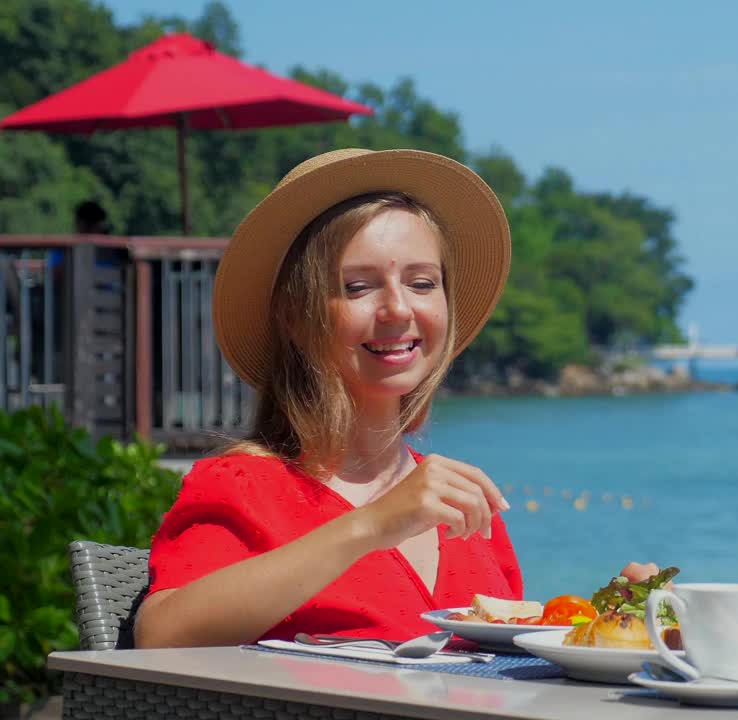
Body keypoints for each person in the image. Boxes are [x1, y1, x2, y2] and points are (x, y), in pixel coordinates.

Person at [135, 149, 654, 648]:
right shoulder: (247, 485)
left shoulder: (458, 505)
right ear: (295, 316)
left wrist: (607, 621)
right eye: (359, 287)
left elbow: (501, 674)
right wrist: (375, 523)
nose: (398, 309)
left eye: (423, 283)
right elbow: (160, 634)